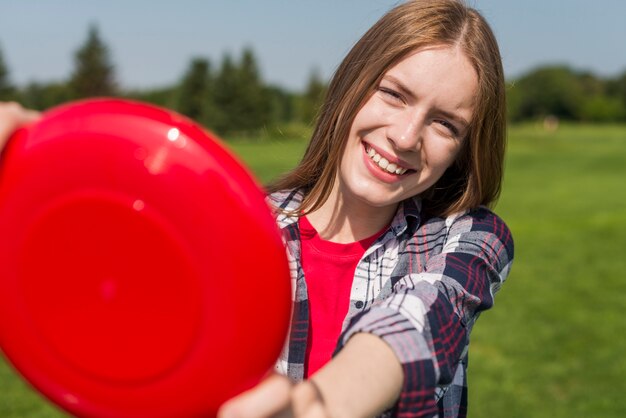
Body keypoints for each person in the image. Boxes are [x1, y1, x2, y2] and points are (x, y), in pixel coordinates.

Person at [0, 1, 513, 416]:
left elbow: (418, 319)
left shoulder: (466, 240)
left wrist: (317, 406)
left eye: (445, 124)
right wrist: (33, 163)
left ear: (465, 148)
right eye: (394, 94)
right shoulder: (243, 230)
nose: (405, 136)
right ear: (351, 86)